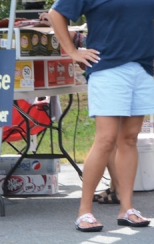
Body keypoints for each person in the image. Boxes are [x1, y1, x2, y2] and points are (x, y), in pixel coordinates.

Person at [48, 0, 154, 232]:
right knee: (106, 139)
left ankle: (127, 208)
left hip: (140, 70)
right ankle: (85, 210)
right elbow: (57, 13)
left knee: (129, 139)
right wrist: (72, 51)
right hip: (108, 69)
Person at [39, 12, 120, 205]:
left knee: (111, 139)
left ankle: (118, 191)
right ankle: (118, 188)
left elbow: (100, 40)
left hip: (114, 69)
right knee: (111, 138)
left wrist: (70, 38)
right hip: (113, 68)